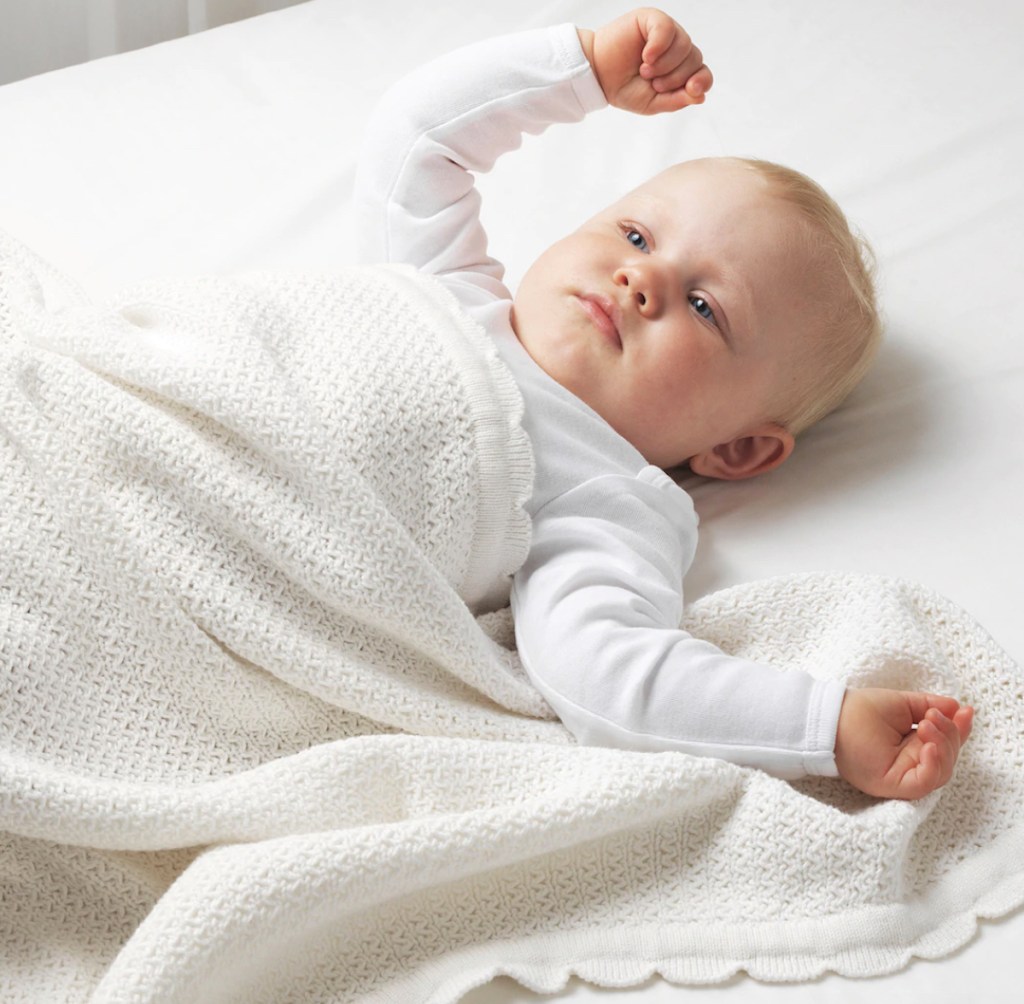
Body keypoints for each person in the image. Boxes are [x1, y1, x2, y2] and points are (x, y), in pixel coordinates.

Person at [353, 8, 973, 799]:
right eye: (638, 237)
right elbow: (415, 136)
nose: (641, 279)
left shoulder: (602, 500)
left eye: (707, 308)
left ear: (737, 450)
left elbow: (607, 676)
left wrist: (824, 726)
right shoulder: (439, 288)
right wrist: (583, 70)